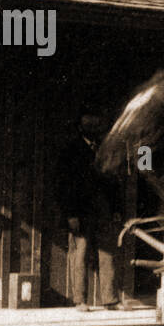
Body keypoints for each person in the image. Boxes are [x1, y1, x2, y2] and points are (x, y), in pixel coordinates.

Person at [56, 112, 142, 310]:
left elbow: (113, 182)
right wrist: (71, 214)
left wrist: (116, 209)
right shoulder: (70, 150)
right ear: (80, 126)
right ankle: (80, 300)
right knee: (80, 254)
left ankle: (110, 300)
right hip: (79, 211)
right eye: (88, 121)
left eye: (96, 121)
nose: (93, 125)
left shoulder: (105, 150)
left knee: (108, 254)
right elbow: (62, 185)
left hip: (103, 209)